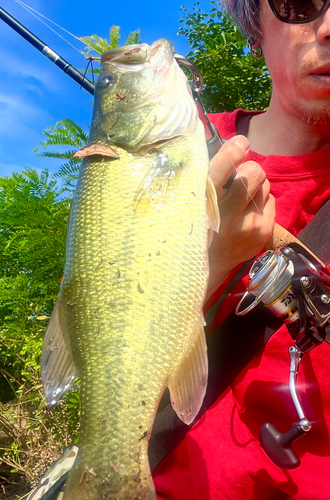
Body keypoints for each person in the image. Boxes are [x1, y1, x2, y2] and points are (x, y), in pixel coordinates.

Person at [152, 0, 330, 498]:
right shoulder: (162, 157)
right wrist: (207, 263)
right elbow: (108, 366)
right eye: (299, 4)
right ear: (256, 31)